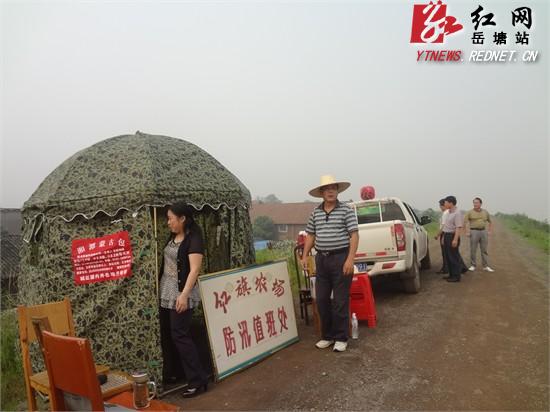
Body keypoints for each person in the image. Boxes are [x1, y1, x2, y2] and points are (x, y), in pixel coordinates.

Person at [301, 175, 359, 353]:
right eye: (327, 189)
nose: (331, 191)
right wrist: (304, 256)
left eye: (333, 188)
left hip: (341, 258)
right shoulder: (315, 212)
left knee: (340, 300)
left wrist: (350, 259)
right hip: (322, 259)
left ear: (337, 191)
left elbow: (354, 235)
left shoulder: (346, 210)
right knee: (322, 299)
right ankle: (327, 336)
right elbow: (310, 235)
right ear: (321, 193)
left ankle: (341, 337)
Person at [159, 202, 208, 397]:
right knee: (173, 335)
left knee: (180, 335)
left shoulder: (193, 238)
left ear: (182, 219)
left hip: (181, 293)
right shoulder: (172, 236)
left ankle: (198, 380)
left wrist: (184, 294)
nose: (168, 222)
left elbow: (194, 269)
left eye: (171, 218)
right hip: (167, 292)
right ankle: (177, 374)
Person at [464, 197, 494, 272]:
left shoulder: (485, 212)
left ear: (480, 203)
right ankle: (473, 265)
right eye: (474, 202)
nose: (475, 204)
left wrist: (489, 231)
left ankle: (485, 266)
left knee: (484, 249)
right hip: (474, 231)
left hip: (483, 231)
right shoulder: (469, 212)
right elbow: (465, 222)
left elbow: (490, 222)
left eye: (477, 202)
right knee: (473, 249)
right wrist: (467, 231)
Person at [441, 195, 465, 283]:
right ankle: (451, 274)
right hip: (447, 235)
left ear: (451, 203)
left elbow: (458, 228)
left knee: (453, 257)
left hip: (452, 236)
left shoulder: (457, 213)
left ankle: (456, 276)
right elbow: (446, 227)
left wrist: (455, 239)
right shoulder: (448, 212)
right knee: (448, 257)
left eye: (446, 202)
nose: (444, 204)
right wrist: (443, 237)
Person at [434, 199, 449, 274]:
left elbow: (444, 226)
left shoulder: (446, 213)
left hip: (444, 233)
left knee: (445, 252)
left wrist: (438, 235)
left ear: (443, 205)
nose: (440, 207)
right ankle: (445, 267)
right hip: (444, 232)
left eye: (440, 206)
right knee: (446, 252)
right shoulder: (446, 213)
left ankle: (446, 268)